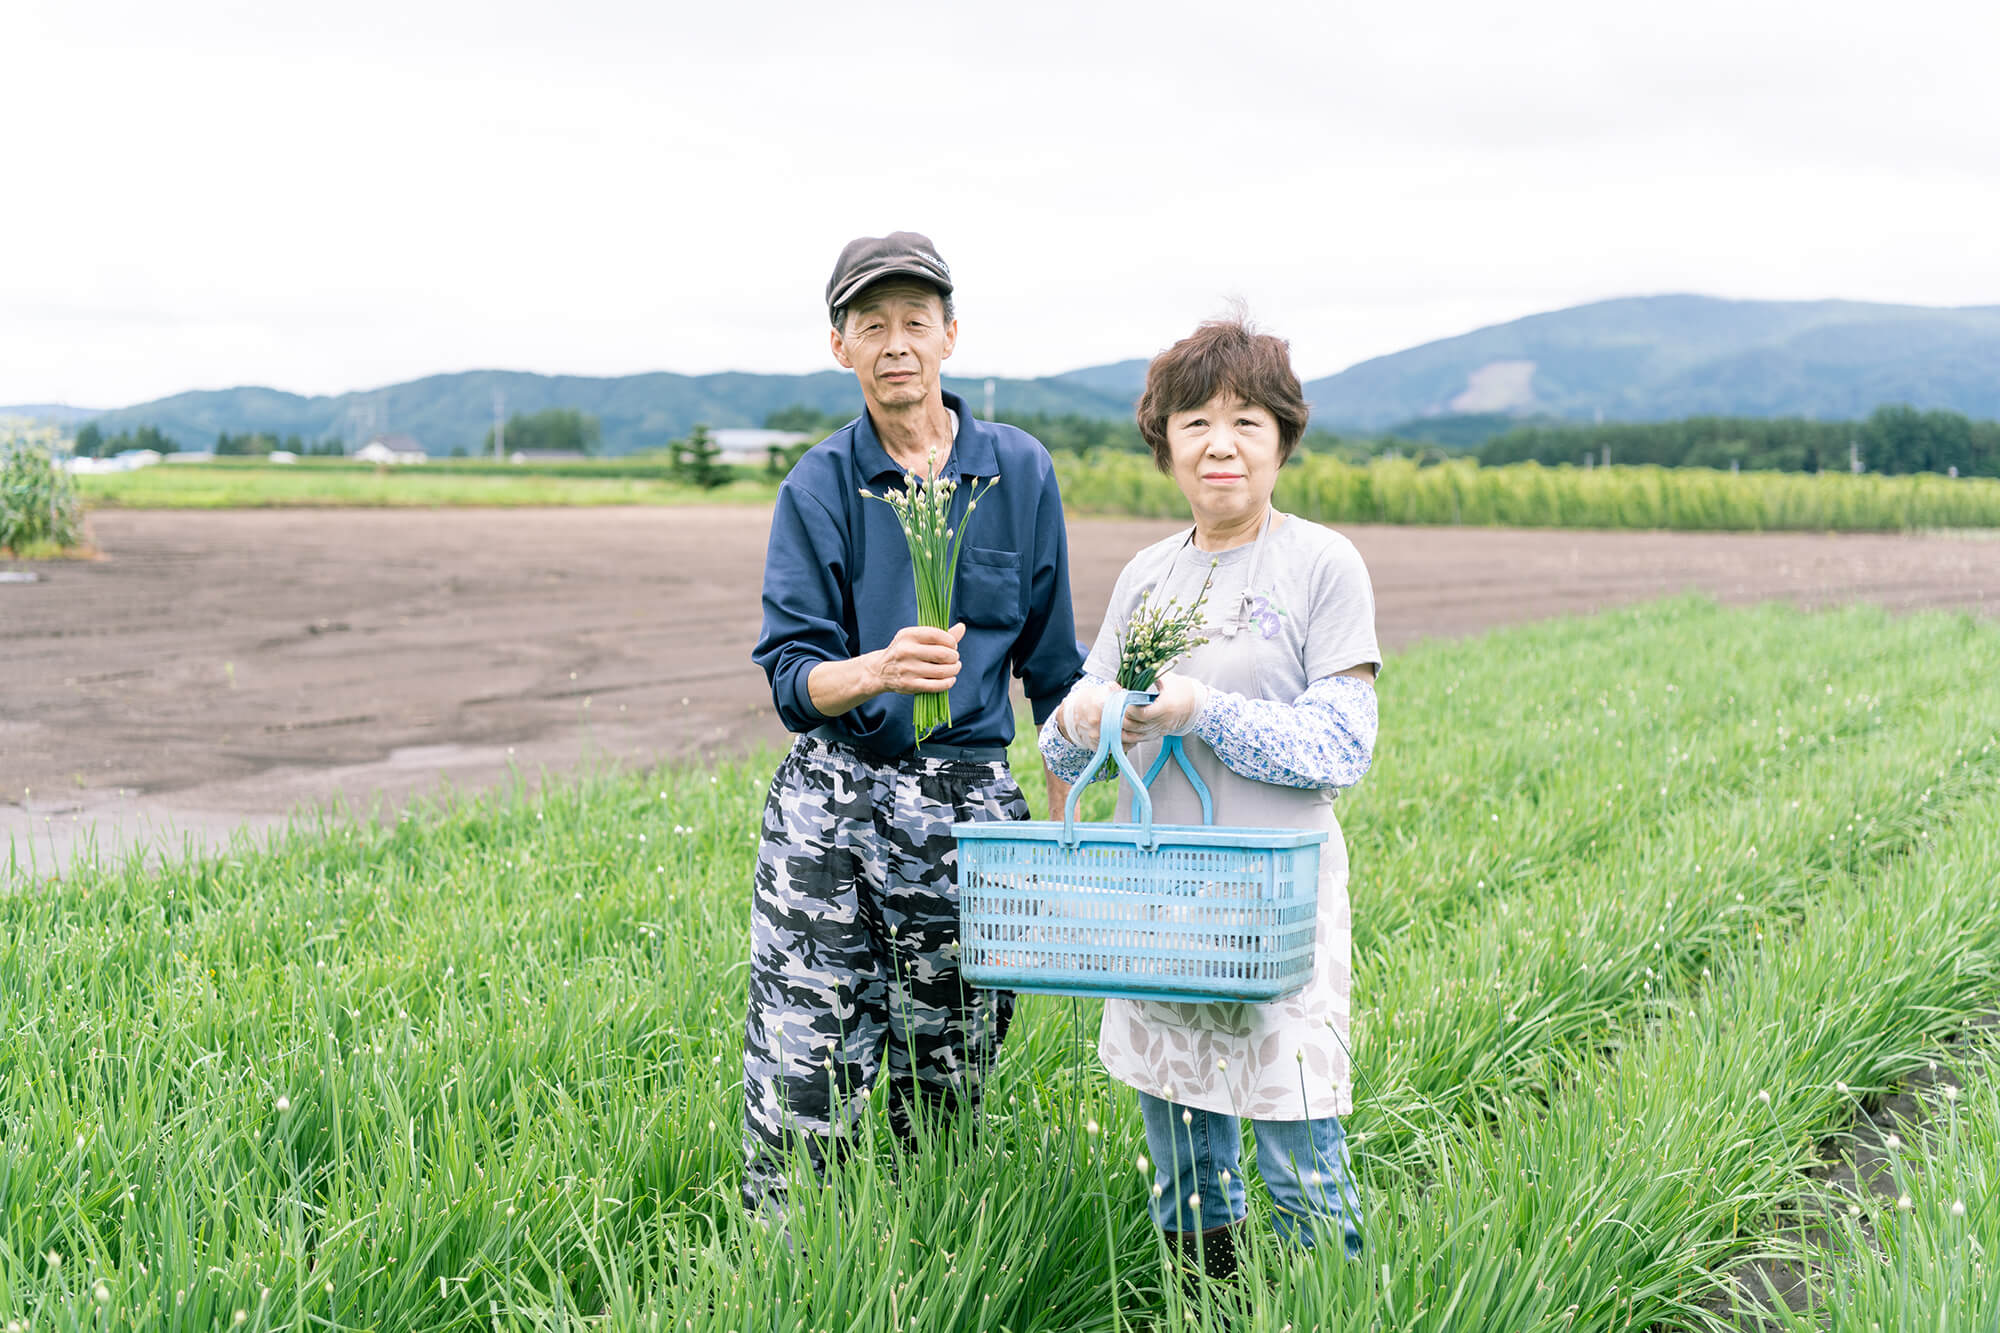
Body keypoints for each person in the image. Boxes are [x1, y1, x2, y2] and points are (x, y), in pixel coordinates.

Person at [744, 231, 1087, 1215]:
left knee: (948, 1070)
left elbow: (1053, 673)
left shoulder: (1015, 472)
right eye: (870, 326)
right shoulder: (819, 484)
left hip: (970, 803)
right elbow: (790, 679)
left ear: (948, 336)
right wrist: (878, 670)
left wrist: (1064, 829)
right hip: (834, 803)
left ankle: (918, 1260)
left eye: (913, 322)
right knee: (802, 1067)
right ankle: (797, 1271)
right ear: (838, 346)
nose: (894, 343)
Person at [1039, 314, 1379, 1276]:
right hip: (1158, 904)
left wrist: (1199, 708)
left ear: (1282, 440)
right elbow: (1066, 758)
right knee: (1183, 1161)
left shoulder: (1322, 563)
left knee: (1301, 1151)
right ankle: (1207, 1303)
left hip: (1277, 904)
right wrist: (1082, 723)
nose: (1219, 444)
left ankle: (1328, 1303)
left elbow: (1341, 745)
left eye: (1245, 422)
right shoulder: (1149, 575)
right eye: (1194, 422)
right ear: (1165, 443)